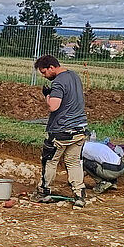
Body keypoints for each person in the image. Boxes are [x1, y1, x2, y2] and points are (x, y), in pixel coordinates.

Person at [30, 55, 89, 207]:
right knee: (74, 162)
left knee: (50, 161)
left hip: (62, 130)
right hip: (80, 128)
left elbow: (53, 106)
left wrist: (47, 95)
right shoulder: (74, 76)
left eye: (44, 72)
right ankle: (79, 194)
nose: (44, 76)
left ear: (51, 67)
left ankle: (44, 191)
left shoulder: (58, 82)